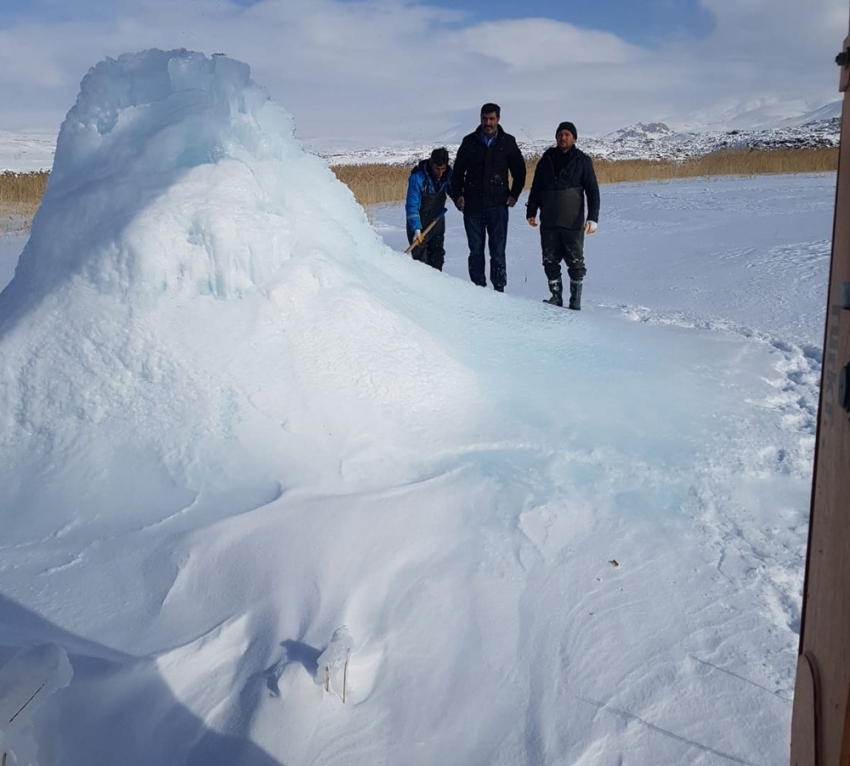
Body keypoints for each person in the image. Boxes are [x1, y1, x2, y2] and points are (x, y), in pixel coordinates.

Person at [451, 103, 526, 292]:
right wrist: (458, 196)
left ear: (498, 120)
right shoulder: (469, 142)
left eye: (492, 119)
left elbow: (520, 172)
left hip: (498, 206)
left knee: (497, 252)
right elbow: (458, 173)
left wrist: (514, 195)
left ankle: (499, 290)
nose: (488, 123)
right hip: (473, 207)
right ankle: (479, 290)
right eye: (484, 118)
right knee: (476, 251)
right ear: (480, 119)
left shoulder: (507, 142)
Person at [526, 121, 600, 310]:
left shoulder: (582, 160)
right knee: (549, 261)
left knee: (575, 263)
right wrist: (531, 211)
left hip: (573, 222)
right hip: (549, 221)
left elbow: (592, 191)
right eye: (560, 134)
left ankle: (575, 302)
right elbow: (536, 187)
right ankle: (555, 297)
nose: (563, 137)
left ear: (574, 137)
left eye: (567, 134)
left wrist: (593, 218)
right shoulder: (546, 159)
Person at [405, 147, 453, 271]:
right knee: (422, 267)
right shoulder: (418, 178)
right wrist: (416, 228)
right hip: (419, 228)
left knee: (437, 262)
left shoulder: (447, 176)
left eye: (443, 169)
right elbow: (412, 205)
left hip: (437, 224)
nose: (440, 172)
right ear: (431, 163)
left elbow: (455, 192)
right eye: (437, 168)